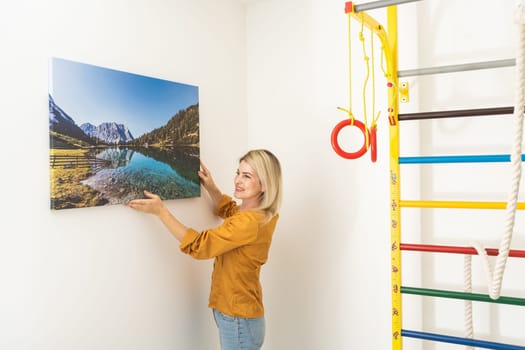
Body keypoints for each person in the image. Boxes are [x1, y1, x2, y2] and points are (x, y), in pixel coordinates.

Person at [128, 149, 283, 350]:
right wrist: (211, 188)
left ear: (265, 184)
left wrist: (161, 212)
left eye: (247, 176)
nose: (238, 180)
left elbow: (200, 246)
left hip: (238, 320)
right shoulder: (260, 215)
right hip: (242, 316)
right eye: (238, 173)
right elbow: (231, 212)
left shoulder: (249, 222)